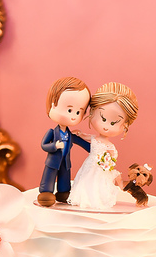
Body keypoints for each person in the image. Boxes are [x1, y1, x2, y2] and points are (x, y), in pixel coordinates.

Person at [68, 82, 139, 210]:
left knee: (98, 185)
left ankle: (96, 199)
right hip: (89, 166)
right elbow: (86, 137)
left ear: (125, 126)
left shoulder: (110, 146)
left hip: (100, 170)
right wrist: (79, 134)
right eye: (103, 119)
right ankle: (83, 198)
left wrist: (107, 164)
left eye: (113, 123)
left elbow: (112, 158)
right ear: (92, 112)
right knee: (85, 182)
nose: (106, 126)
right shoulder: (95, 139)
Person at [38, 77, 91, 207]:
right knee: (49, 177)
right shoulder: (52, 132)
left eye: (78, 112)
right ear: (52, 105)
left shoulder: (70, 135)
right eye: (69, 110)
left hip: (65, 162)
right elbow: (44, 145)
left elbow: (82, 143)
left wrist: (94, 149)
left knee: (64, 178)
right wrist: (54, 146)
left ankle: (63, 192)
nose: (73, 116)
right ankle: (46, 193)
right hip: (53, 161)